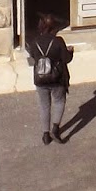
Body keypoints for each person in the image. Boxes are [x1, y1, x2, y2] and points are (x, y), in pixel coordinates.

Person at [26, 11, 74, 144]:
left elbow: (32, 59)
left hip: (40, 78)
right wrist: (71, 51)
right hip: (57, 78)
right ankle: (55, 128)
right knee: (59, 101)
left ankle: (45, 134)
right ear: (54, 27)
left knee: (44, 106)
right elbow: (66, 59)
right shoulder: (58, 41)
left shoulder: (34, 42)